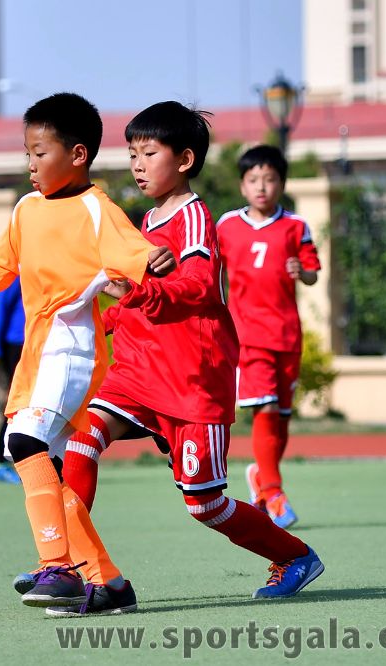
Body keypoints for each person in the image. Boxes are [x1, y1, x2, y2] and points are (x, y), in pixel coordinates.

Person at [0, 92, 176, 616]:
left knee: (23, 442)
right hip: (38, 356)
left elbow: (140, 255)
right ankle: (110, 584)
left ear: (77, 154)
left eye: (40, 153)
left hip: (73, 352)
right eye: (27, 152)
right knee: (52, 469)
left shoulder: (97, 210)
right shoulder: (27, 209)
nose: (30, 164)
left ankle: (58, 568)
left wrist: (157, 261)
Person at [53, 102, 324, 601]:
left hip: (192, 379)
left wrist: (136, 294)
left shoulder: (194, 217)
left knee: (205, 505)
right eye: (132, 154)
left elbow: (198, 288)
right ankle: (70, 566)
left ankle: (294, 557)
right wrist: (98, 323)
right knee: (81, 443)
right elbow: (138, 299)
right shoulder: (146, 221)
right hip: (139, 372)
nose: (137, 165)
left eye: (148, 153)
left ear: (184, 160)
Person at [215, 145, 322, 529]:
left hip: (287, 334)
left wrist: (301, 272)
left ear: (282, 183)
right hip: (248, 335)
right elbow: (210, 271)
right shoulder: (226, 225)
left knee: (281, 420)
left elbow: (312, 273)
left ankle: (260, 478)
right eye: (253, 180)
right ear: (242, 186)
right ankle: (274, 493)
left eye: (270, 179)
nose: (262, 187)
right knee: (266, 408)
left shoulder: (296, 226)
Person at [0, 277, 25, 484]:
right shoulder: (18, 274)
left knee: (33, 406)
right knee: (17, 404)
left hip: (38, 345)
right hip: (17, 347)